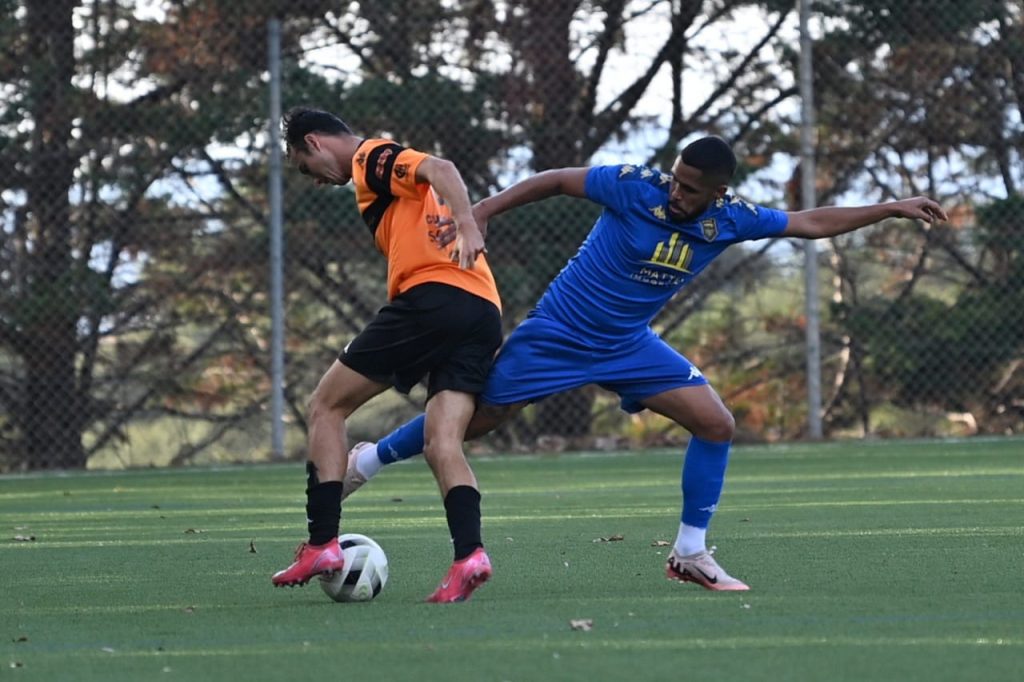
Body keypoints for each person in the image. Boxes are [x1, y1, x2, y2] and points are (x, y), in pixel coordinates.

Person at [340, 135, 948, 591]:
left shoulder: (729, 218)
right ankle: (367, 460)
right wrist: (481, 213)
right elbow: (556, 180)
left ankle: (690, 553)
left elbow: (809, 222)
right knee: (475, 422)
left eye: (690, 188)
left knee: (716, 423)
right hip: (558, 332)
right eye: (676, 180)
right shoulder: (634, 185)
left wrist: (889, 207)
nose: (676, 192)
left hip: (628, 344)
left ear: (717, 193)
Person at [271, 107, 503, 603]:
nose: (315, 180)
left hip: (433, 300)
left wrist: (468, 223)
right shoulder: (385, 186)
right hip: (482, 310)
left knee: (326, 406)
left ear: (314, 142)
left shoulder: (368, 157)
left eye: (305, 167)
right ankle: (470, 556)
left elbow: (440, 167)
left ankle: (321, 543)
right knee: (442, 441)